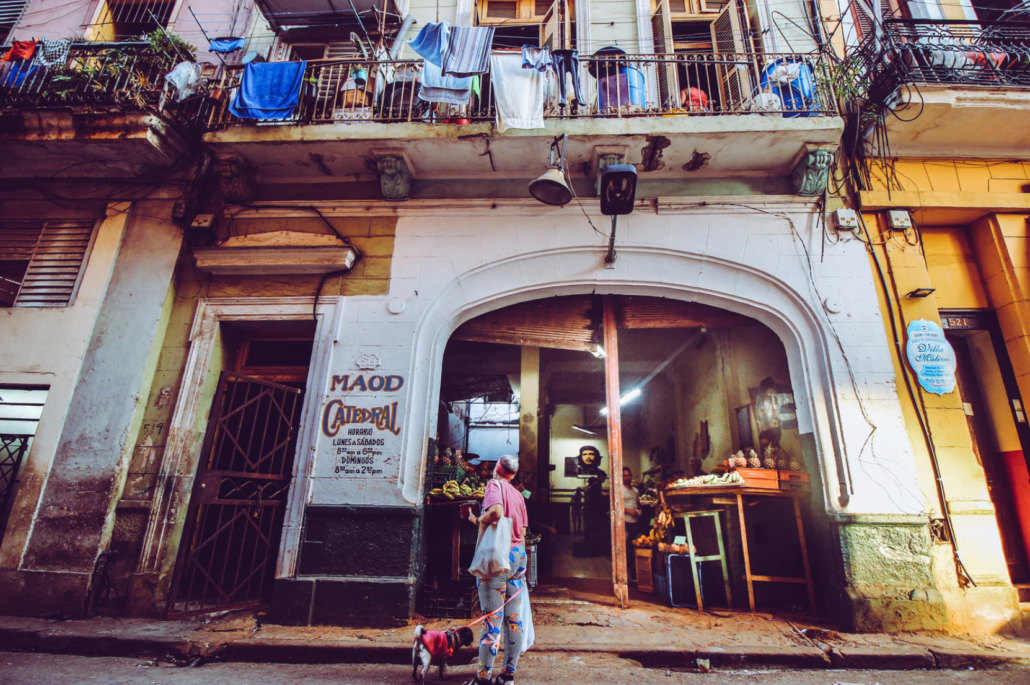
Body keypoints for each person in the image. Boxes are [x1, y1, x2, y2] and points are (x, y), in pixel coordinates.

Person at [465, 454, 529, 685]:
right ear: (512, 475)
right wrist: (477, 519)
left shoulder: (494, 484)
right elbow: (521, 532)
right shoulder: (519, 495)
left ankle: (482, 679)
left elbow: (495, 513)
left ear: (497, 469)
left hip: (498, 559)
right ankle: (507, 676)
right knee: (513, 618)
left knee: (492, 619)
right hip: (519, 557)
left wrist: (477, 519)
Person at [622, 467, 643, 579]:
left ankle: (635, 574)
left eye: (628, 475)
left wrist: (639, 511)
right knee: (626, 549)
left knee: (635, 548)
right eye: (625, 475)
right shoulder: (619, 489)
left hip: (635, 523)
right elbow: (616, 505)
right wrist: (628, 511)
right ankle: (625, 574)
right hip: (625, 523)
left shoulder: (635, 490)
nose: (627, 477)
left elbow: (638, 504)